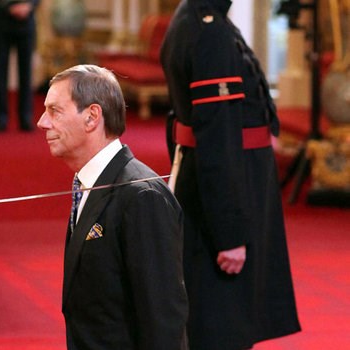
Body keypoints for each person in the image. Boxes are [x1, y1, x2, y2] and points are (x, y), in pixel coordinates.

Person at [160, 1, 301, 349]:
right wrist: (229, 232)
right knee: (222, 324)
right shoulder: (211, 32)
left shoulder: (192, 18)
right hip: (226, 191)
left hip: (210, 182)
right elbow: (217, 137)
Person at [37, 64, 188, 349]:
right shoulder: (88, 181)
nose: (42, 122)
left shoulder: (143, 197)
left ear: (92, 117)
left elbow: (163, 320)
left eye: (55, 111)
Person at [0, 0, 39, 132]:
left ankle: (26, 117)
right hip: (1, 22)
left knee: (26, 74)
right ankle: (1, 118)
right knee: (0, 73)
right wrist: (9, 7)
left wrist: (29, 5)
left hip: (26, 23)